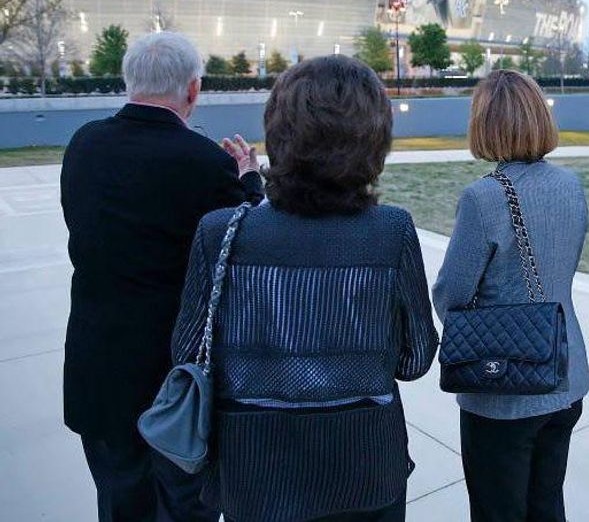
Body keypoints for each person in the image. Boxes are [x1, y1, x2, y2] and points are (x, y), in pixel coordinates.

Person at [171, 55, 438, 522]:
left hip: (253, 471)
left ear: (279, 129)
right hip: (364, 467)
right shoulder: (391, 231)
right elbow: (414, 360)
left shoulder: (221, 233)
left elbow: (189, 353)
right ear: (375, 139)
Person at [61, 31, 264, 521]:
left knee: (118, 503)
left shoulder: (84, 146)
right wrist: (249, 182)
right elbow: (249, 249)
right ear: (193, 90)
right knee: (184, 508)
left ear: (128, 80)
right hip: (177, 384)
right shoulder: (207, 164)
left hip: (100, 370)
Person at [432, 69, 589, 522]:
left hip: (504, 388)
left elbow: (451, 296)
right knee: (546, 506)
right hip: (564, 373)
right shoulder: (569, 185)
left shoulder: (483, 198)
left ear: (484, 124)